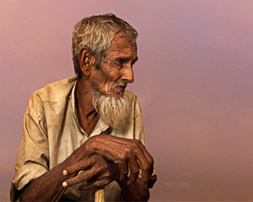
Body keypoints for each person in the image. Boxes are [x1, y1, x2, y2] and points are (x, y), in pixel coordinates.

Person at [10, 14, 156, 202]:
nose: (130, 76)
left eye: (132, 63)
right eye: (120, 62)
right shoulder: (43, 103)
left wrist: (118, 170)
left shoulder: (130, 103)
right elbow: (27, 199)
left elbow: (141, 196)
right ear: (87, 61)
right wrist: (89, 148)